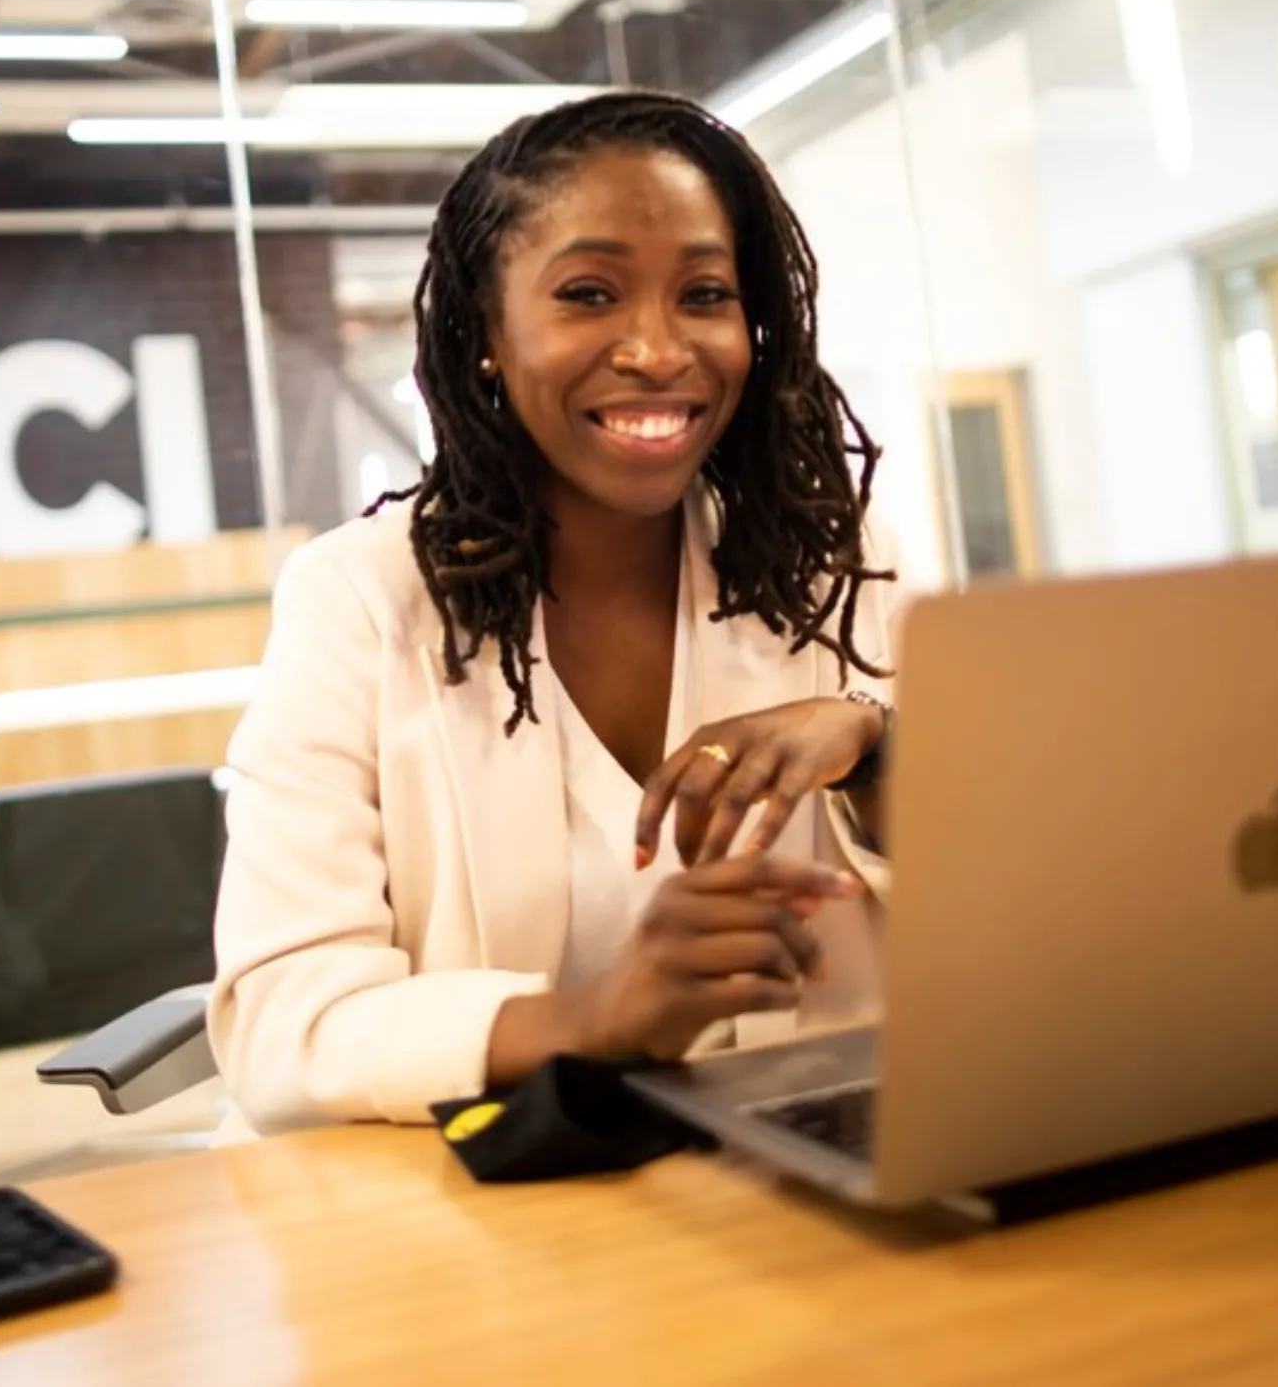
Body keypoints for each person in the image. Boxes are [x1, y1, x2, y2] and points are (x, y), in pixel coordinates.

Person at [209, 91, 901, 1134]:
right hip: (480, 1220)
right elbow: (281, 1025)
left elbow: (1003, 915)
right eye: (590, 293)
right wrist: (594, 1020)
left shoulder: (833, 558)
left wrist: (878, 744)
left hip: (799, 1170)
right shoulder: (357, 599)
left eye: (705, 294)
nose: (660, 351)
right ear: (487, 331)